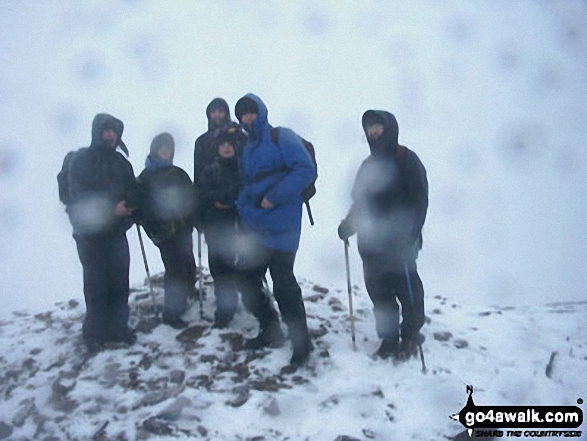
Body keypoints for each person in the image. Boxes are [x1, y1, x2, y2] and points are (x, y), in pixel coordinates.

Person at [338, 110, 428, 361]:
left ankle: (410, 336)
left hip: (401, 242)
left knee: (407, 291)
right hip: (372, 244)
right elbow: (361, 204)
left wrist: (410, 233)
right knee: (379, 293)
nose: (374, 132)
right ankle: (388, 339)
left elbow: (419, 201)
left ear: (389, 129)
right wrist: (349, 225)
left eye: (378, 127)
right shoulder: (367, 166)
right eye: (370, 128)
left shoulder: (406, 159)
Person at [234, 93, 316, 367]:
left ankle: (302, 345)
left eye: (251, 112)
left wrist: (274, 196)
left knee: (284, 287)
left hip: (283, 228)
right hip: (257, 228)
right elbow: (248, 185)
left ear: (261, 111)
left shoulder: (281, 136)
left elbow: (305, 169)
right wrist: (245, 211)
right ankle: (271, 331)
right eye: (243, 114)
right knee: (246, 280)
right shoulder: (248, 147)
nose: (248, 118)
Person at [67, 113, 138, 349]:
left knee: (119, 283)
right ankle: (94, 334)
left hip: (117, 233)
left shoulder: (121, 163)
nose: (110, 135)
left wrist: (133, 206)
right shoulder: (82, 161)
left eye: (114, 131)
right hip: (90, 236)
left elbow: (132, 190)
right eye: (105, 130)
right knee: (96, 284)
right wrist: (112, 209)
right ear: (96, 132)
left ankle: (118, 329)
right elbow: (80, 197)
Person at [136, 133, 197, 329]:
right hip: (164, 234)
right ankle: (172, 313)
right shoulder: (145, 177)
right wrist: (152, 228)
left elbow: (191, 196)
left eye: (168, 148)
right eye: (162, 148)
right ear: (155, 149)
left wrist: (194, 217)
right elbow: (141, 206)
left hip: (183, 229)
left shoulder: (178, 173)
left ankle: (187, 294)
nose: (165, 151)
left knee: (188, 265)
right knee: (175, 271)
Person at [197, 127, 243, 328]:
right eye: (222, 145)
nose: (226, 148)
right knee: (217, 267)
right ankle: (225, 303)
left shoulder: (242, 169)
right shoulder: (210, 170)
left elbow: (246, 193)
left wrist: (232, 202)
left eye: (229, 145)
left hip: (235, 226)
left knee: (231, 266)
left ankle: (227, 309)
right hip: (214, 225)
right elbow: (201, 194)